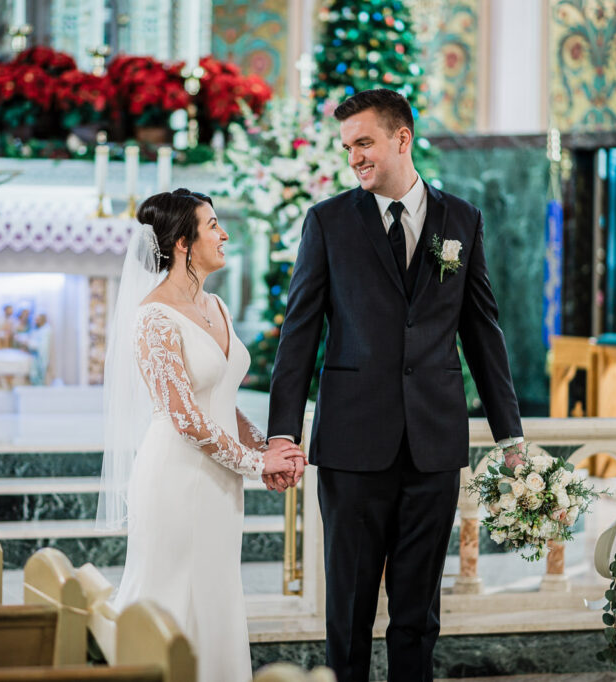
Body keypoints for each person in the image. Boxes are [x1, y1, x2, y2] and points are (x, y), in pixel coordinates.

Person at [265, 89, 525, 682]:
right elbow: (299, 335)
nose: (354, 157)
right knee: (350, 611)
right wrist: (283, 433)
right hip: (352, 446)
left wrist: (510, 437)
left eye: (364, 143)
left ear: (401, 138)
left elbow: (482, 332)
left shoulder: (462, 220)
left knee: (417, 615)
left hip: (433, 445)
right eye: (347, 147)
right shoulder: (328, 222)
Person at [99, 189, 305, 682]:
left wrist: (266, 447)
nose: (224, 234)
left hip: (219, 481)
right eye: (213, 225)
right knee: (172, 597)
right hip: (176, 477)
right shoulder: (153, 317)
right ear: (183, 243)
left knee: (215, 596)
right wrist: (256, 464)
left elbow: (222, 400)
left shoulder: (216, 306)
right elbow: (184, 416)